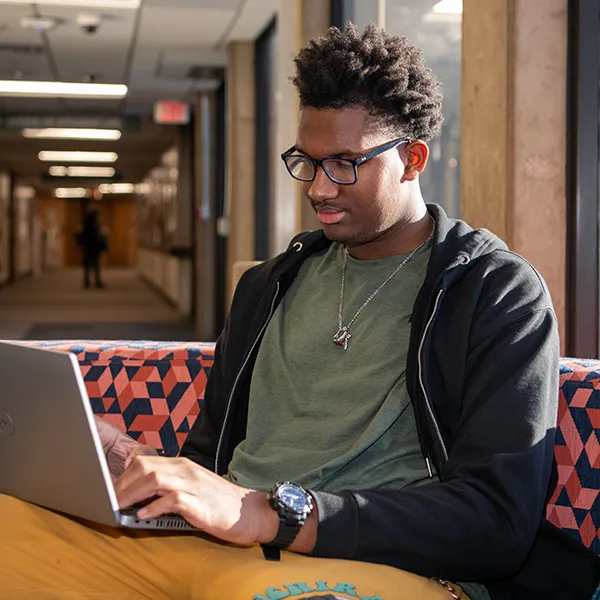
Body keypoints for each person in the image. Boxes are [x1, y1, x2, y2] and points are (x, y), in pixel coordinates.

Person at [2, 23, 599, 600]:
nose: (317, 188)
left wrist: (277, 514)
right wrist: (132, 462)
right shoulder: (268, 285)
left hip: (374, 564)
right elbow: (214, 461)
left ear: (414, 159)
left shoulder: (494, 291)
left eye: (345, 163)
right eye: (307, 162)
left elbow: (496, 522)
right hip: (214, 544)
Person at [76, 205, 107, 289]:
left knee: (87, 266)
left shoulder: (85, 223)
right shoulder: (94, 224)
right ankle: (96, 282)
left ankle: (87, 282)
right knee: (95, 266)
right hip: (93, 248)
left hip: (87, 247)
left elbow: (82, 235)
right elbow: (96, 236)